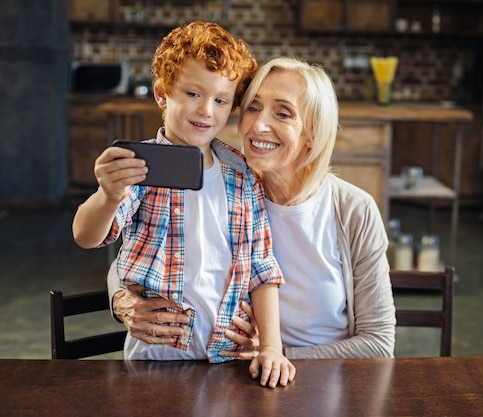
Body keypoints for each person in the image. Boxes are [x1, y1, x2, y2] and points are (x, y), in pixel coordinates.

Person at [108, 56, 396, 359]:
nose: (258, 125)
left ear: (312, 132)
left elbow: (378, 344)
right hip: (237, 380)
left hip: (320, 384)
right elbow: (143, 249)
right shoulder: (233, 190)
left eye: (283, 114)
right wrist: (119, 300)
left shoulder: (353, 210)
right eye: (253, 108)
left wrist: (276, 354)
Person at [72, 22, 295, 388]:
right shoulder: (140, 166)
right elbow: (87, 236)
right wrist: (108, 194)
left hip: (227, 356)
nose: (206, 111)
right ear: (163, 94)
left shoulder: (242, 174)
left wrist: (272, 345)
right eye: (192, 93)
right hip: (156, 359)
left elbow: (261, 266)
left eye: (221, 100)